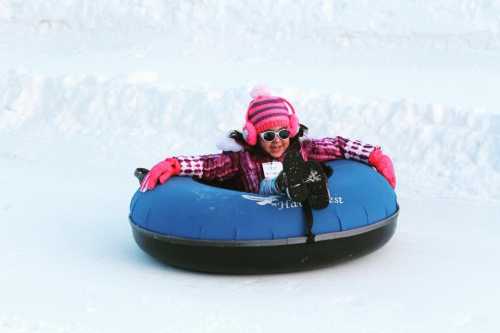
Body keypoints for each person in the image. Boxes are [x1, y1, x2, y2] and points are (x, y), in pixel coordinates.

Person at [138, 86, 396, 212]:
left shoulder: (303, 148)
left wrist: (375, 155)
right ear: (253, 136)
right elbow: (207, 165)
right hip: (261, 198)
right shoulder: (243, 158)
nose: (277, 140)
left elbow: (338, 146)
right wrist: (174, 164)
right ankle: (289, 183)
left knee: (307, 165)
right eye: (268, 135)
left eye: (283, 133)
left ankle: (310, 181)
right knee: (270, 185)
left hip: (299, 180)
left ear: (292, 130)